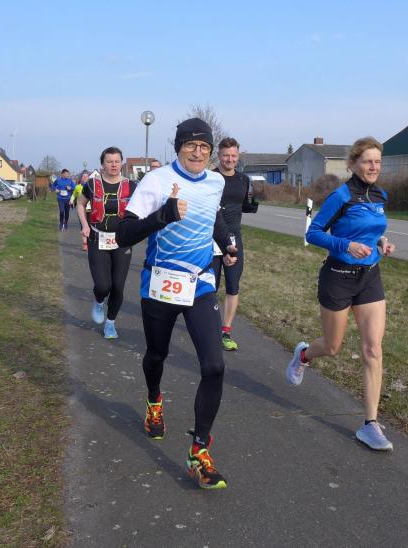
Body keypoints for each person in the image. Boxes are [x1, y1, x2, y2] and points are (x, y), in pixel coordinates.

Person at [116, 118, 237, 490]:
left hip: (200, 283)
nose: (198, 152)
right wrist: (163, 216)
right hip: (161, 286)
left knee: (214, 366)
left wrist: (226, 244)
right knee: (157, 355)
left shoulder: (215, 182)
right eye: (191, 145)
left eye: (205, 147)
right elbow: (123, 233)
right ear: (178, 147)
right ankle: (154, 401)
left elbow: (212, 215)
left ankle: (199, 452)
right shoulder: (156, 181)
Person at [285, 137, 397, 451]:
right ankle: (304, 355)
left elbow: (373, 229)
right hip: (338, 278)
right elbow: (313, 233)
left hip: (369, 277)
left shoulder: (380, 195)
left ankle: (370, 424)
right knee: (332, 347)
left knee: (373, 350)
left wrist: (381, 243)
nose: (373, 167)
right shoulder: (341, 197)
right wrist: (346, 245)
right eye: (367, 161)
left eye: (377, 161)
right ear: (353, 164)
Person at [77, 149, 136, 339]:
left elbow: (142, 208)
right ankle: (99, 300)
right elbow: (80, 204)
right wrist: (84, 225)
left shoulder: (131, 186)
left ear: (122, 163)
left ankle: (110, 323)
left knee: (118, 287)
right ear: (102, 164)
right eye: (109, 161)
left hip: (122, 241)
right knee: (103, 286)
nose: (113, 165)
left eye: (117, 161)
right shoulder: (92, 184)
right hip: (98, 238)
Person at [212, 137, 259, 351]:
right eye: (226, 155)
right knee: (209, 287)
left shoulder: (243, 179)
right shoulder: (210, 178)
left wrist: (252, 205)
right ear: (219, 156)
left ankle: (226, 331)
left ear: (238, 156)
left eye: (233, 156)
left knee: (233, 286)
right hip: (211, 237)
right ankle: (208, 325)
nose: (230, 159)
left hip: (234, 237)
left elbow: (243, 205)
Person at [71, 170, 90, 251]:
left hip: (92, 210)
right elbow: (74, 194)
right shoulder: (77, 187)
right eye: (83, 176)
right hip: (82, 210)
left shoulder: (92, 186)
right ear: (81, 178)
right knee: (83, 226)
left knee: (91, 226)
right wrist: (71, 200)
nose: (85, 177)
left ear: (88, 177)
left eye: (86, 176)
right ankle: (85, 243)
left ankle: (90, 242)